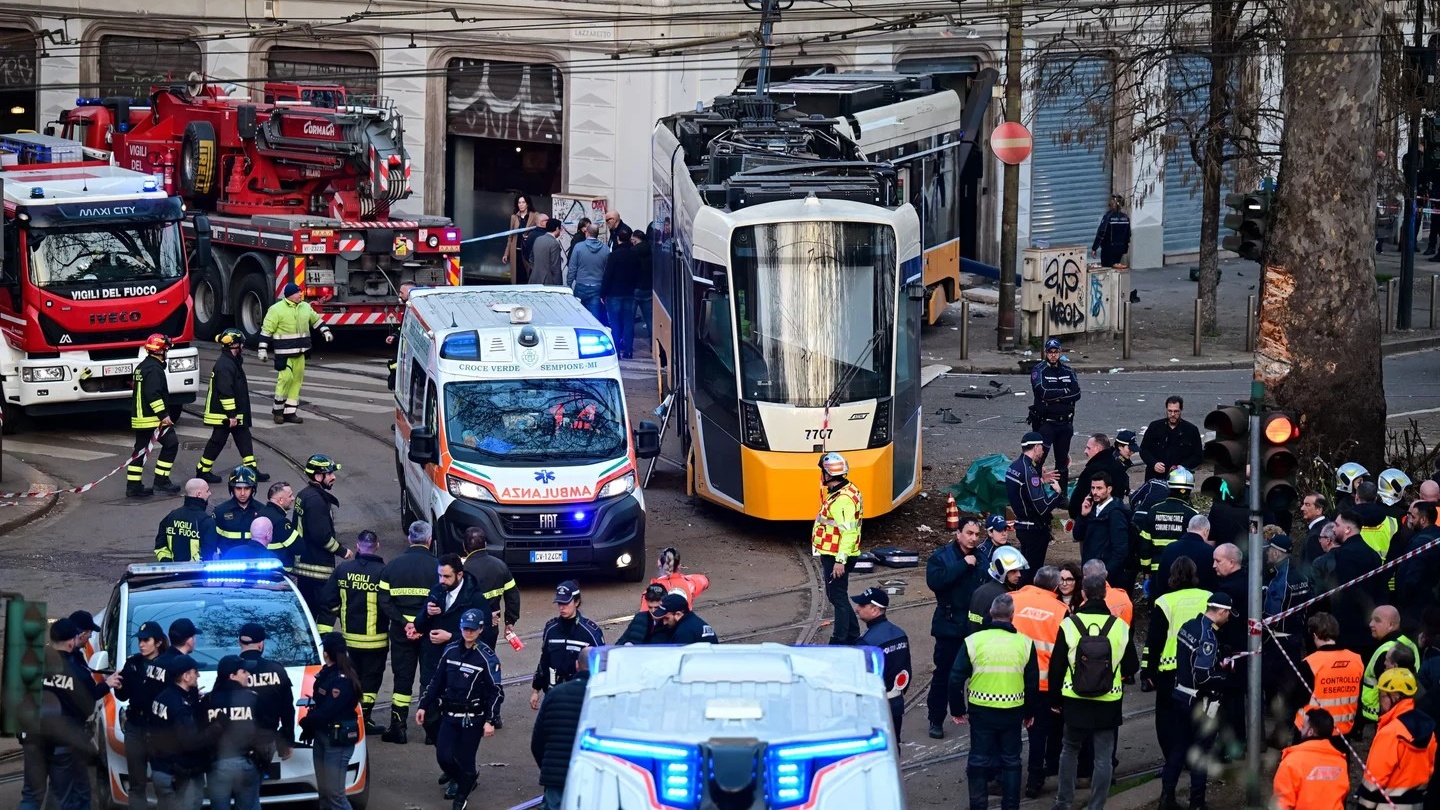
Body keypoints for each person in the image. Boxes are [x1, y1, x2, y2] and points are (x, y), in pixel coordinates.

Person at [1049, 572, 1139, 810]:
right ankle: (1096, 805)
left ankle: (1063, 802)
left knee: (1069, 749)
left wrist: (1055, 700)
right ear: (1105, 594)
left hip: (1074, 698)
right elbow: (1132, 666)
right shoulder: (1119, 627)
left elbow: (1056, 666)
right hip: (1107, 700)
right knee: (1103, 756)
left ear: (1083, 593)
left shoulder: (1069, 624)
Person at [950, 594, 1039, 810]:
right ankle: (1011, 806)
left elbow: (955, 677)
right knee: (1011, 761)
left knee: (979, 760)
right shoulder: (1025, 644)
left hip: (981, 711)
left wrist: (957, 709)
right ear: (1012, 615)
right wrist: (1029, 713)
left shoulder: (974, 641)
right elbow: (1031, 683)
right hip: (1012, 711)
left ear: (990, 613)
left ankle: (978, 806)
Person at [19, 617, 116, 810]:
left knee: (31, 796)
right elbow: (88, 707)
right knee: (60, 795)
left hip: (34, 739)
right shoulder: (78, 673)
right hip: (63, 744)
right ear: (72, 641)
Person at [416, 609, 502, 810]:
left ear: (480, 629)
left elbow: (496, 692)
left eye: (472, 629)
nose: (468, 633)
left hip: (472, 718)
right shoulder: (451, 650)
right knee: (443, 756)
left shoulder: (487, 658)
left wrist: (490, 720)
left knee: (465, 760)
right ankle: (466, 780)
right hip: (450, 715)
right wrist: (423, 705)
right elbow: (436, 681)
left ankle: (460, 799)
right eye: (465, 629)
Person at [1159, 591, 1233, 810]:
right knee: (1201, 752)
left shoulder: (1188, 626)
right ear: (1220, 611)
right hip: (1199, 702)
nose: (1228, 618)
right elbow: (1203, 675)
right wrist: (1225, 675)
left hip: (1180, 695)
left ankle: (1166, 799)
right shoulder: (1208, 636)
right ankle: (1197, 804)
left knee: (1179, 748)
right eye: (1227, 613)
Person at [416, 553, 490, 746]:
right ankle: (444, 748)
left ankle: (453, 762)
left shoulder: (474, 599)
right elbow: (418, 625)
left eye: (447, 576)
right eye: (440, 576)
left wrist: (451, 637)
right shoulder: (436, 592)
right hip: (433, 662)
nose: (442, 580)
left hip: (461, 666)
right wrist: (426, 613)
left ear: (459, 575)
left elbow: (487, 634)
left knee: (456, 723)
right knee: (429, 712)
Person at [321, 530, 389, 733]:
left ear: (358, 546)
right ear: (377, 546)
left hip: (350, 641)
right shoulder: (383, 572)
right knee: (372, 680)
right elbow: (389, 604)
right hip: (376, 641)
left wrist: (342, 614)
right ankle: (364, 717)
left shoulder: (343, 570)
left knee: (352, 677)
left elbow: (328, 600)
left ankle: (351, 713)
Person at [926, 515, 987, 739]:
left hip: (974, 626)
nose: (973, 539)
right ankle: (936, 719)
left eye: (976, 534)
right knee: (944, 674)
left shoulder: (982, 557)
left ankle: (974, 715)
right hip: (949, 625)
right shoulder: (942, 557)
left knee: (977, 674)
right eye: (969, 533)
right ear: (958, 533)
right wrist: (963, 565)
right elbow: (935, 581)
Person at [378, 520, 438, 744]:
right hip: (430, 633)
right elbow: (442, 601)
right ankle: (431, 731)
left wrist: (405, 623)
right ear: (429, 540)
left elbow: (384, 601)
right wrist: (420, 624)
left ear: (409, 538)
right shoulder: (437, 566)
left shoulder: (392, 566)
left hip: (402, 632)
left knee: (402, 680)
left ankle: (398, 727)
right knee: (429, 678)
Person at [1010, 566, 1066, 796]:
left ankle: (1005, 777)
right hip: (1042, 684)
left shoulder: (1012, 599)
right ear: (1055, 587)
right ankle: (1034, 780)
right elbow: (1062, 654)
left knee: (1009, 731)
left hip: (1011, 679)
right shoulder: (1060, 610)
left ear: (1034, 580)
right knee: (1038, 734)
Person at [196, 327, 269, 484]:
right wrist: (232, 415)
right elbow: (225, 392)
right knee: (218, 440)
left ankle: (251, 469)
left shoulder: (231, 362)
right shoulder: (225, 365)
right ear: (235, 346)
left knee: (244, 438)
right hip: (225, 414)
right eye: (241, 344)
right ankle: (203, 470)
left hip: (233, 413)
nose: (243, 346)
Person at [1358, 668, 1437, 810]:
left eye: (1382, 696)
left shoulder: (1390, 733)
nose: (1379, 701)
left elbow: (1373, 782)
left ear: (1394, 697)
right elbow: (1430, 769)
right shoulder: (1428, 729)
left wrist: (1363, 807)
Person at [257, 283, 331, 424]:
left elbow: (316, 320)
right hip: (284, 354)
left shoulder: (305, 307)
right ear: (289, 295)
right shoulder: (276, 309)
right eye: (298, 293)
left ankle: (290, 412)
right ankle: (278, 412)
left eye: (300, 292)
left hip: (301, 353)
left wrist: (325, 331)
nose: (300, 295)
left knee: (296, 382)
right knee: (285, 380)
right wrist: (262, 349)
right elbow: (266, 330)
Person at [301, 634, 360, 810]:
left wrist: (307, 722)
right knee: (325, 794)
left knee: (335, 796)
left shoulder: (342, 679)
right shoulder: (327, 674)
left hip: (337, 742)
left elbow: (327, 711)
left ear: (326, 652)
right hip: (322, 736)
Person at [114, 621, 169, 807]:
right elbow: (123, 694)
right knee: (137, 784)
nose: (142, 644)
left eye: (146, 640)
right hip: (136, 728)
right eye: (140, 640)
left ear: (158, 642)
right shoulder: (133, 663)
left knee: (163, 783)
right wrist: (118, 687)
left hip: (159, 730)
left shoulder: (168, 664)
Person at [812, 451, 863, 646]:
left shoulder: (842, 500)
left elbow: (848, 532)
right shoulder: (847, 490)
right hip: (835, 553)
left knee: (837, 597)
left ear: (828, 474)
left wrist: (840, 561)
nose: (821, 476)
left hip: (836, 556)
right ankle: (852, 633)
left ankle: (840, 640)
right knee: (837, 595)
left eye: (822, 472)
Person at [295, 453, 354, 619]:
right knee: (325, 614)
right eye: (330, 474)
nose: (334, 477)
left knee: (307, 613)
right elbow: (321, 536)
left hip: (305, 566)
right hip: (316, 569)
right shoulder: (315, 500)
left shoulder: (304, 494)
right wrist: (342, 551)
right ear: (319, 476)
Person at [531, 581, 605, 710]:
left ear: (576, 602)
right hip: (554, 691)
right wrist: (536, 690)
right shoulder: (551, 629)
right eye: (560, 603)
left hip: (580, 694)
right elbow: (544, 660)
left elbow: (602, 664)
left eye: (566, 603)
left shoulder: (590, 632)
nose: (562, 608)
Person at [531, 643, 589, 810]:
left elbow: (538, 740)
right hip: (588, 776)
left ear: (577, 665)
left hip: (555, 776)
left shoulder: (556, 693)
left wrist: (548, 768)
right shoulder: (604, 695)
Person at [201, 655, 262, 810]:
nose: (248, 674)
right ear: (232, 676)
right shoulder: (252, 698)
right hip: (247, 763)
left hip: (218, 765)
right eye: (243, 671)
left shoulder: (208, 700)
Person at [148, 653, 207, 810]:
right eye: (195, 672)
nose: (198, 675)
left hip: (160, 770)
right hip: (179, 774)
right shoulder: (180, 707)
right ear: (186, 676)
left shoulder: (161, 698)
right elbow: (190, 742)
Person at [1291, 613, 1363, 738]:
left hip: (1311, 731)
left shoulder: (1310, 663)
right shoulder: (1356, 660)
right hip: (1343, 731)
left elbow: (1298, 699)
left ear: (1314, 635)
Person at [461, 526, 522, 674]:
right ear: (485, 544)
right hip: (491, 627)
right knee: (487, 658)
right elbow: (513, 596)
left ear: (464, 546)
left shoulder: (462, 570)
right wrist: (510, 621)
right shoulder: (500, 566)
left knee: (466, 664)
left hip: (467, 626)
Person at [851, 587, 911, 736]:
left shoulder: (866, 641)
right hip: (896, 703)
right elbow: (906, 669)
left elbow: (859, 678)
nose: (857, 609)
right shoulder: (900, 634)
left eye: (862, 606)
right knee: (894, 746)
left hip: (874, 707)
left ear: (875, 610)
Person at [128, 332, 181, 497]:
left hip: (140, 418)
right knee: (171, 444)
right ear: (160, 351)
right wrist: (163, 415)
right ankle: (162, 481)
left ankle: (133, 486)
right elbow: (153, 395)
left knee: (140, 451)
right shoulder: (154, 369)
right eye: (166, 349)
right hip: (152, 419)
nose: (167, 353)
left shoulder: (143, 366)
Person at [236, 623, 295, 771]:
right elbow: (287, 709)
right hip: (266, 740)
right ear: (261, 644)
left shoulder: (231, 671)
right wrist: (287, 740)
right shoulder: (276, 669)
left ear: (239, 642)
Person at [1006, 432, 1064, 579]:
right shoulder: (1029, 473)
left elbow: (1023, 493)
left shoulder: (1015, 466)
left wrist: (1040, 482)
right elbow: (1042, 508)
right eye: (1042, 448)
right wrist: (1057, 494)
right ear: (1036, 447)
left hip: (1022, 526)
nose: (1043, 451)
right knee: (1031, 575)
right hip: (1034, 530)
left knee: (1023, 571)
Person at [1029, 338, 1081, 495]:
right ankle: (1036, 492)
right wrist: (1065, 393)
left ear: (1060, 353)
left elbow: (1077, 393)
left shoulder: (1068, 371)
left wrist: (1057, 397)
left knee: (1062, 462)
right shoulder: (1039, 370)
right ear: (1046, 353)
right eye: (1050, 352)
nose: (1053, 355)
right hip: (1046, 424)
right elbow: (1043, 392)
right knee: (1038, 460)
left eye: (1056, 352)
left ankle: (1061, 494)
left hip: (1065, 424)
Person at [1135, 467, 1200, 588]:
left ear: (1168, 487)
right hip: (1183, 572)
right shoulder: (1193, 515)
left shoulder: (1153, 511)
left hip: (1157, 569)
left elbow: (1145, 545)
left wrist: (1146, 572)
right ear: (1189, 491)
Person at [1273, 709, 1348, 810]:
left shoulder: (1291, 762)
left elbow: (1282, 804)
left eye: (1303, 727)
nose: (1300, 730)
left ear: (1311, 732)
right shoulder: (1341, 763)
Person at [1362, 605, 1423, 729]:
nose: (1371, 624)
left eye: (1377, 620)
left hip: (1386, 715)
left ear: (1391, 625)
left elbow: (1388, 690)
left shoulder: (1387, 651)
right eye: (1371, 619)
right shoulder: (1408, 642)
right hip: (1407, 710)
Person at [1073, 472, 1130, 586]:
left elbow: (1120, 550)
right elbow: (1077, 535)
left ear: (1109, 489)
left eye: (1099, 488)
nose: (1095, 492)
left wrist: (1106, 573)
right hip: (1090, 573)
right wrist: (1083, 516)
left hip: (1104, 578)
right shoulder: (1092, 510)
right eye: (1093, 488)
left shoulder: (1115, 514)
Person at [1152, 515, 1216, 602]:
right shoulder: (1211, 552)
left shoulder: (1169, 548)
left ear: (1188, 529)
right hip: (1201, 603)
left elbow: (1160, 580)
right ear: (1206, 531)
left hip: (1171, 601)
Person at [1138, 397, 1203, 482]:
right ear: (1166, 410)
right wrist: (1154, 463)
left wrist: (1182, 467)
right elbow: (1143, 450)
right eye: (1170, 411)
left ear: (1181, 410)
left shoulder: (1191, 430)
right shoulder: (1155, 427)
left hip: (1180, 479)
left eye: (1176, 411)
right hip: (1154, 477)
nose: (1172, 414)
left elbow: (1198, 456)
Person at [155, 478, 219, 562]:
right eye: (207, 491)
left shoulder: (171, 516)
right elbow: (209, 552)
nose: (210, 493)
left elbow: (160, 545)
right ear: (199, 494)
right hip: (196, 572)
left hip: (172, 571)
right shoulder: (206, 521)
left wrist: (167, 563)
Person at [969, 546, 1029, 634]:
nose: (1019, 574)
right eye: (1013, 571)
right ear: (1001, 571)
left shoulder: (980, 590)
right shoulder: (1003, 597)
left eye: (1019, 570)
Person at [601, 225, 640, 358]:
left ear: (618, 239)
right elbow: (637, 274)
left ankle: (616, 350)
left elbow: (608, 275)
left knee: (615, 323)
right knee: (628, 322)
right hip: (629, 292)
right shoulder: (634, 255)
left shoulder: (613, 256)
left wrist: (603, 293)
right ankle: (628, 351)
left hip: (613, 293)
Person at [1070, 434, 1127, 517]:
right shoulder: (1119, 466)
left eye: (1088, 448)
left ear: (1098, 448)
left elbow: (1079, 497)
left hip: (1093, 518)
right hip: (1114, 514)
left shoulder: (1091, 470)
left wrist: (1077, 515)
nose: (1085, 451)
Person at [213, 465, 262, 554]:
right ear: (232, 488)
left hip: (254, 561)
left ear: (253, 488)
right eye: (238, 488)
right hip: (228, 562)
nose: (242, 493)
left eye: (247, 488)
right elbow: (213, 540)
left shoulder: (261, 511)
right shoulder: (220, 511)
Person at [646, 546, 710, 610]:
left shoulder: (651, 591)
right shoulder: (690, 583)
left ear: (659, 564)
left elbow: (643, 615)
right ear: (679, 566)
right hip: (686, 619)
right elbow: (704, 580)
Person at [566, 224, 609, 318]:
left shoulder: (578, 247)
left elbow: (572, 268)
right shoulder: (605, 249)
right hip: (597, 286)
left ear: (587, 233)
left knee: (580, 315)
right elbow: (607, 270)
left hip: (581, 285)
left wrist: (569, 283)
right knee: (595, 316)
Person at [257, 482, 301, 574]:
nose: (293, 499)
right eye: (290, 496)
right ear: (280, 500)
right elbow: (298, 547)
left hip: (263, 567)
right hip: (281, 570)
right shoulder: (281, 522)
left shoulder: (260, 513)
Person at [651, 593, 719, 643]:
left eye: (667, 618)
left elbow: (677, 659)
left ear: (678, 614)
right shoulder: (695, 621)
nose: (664, 622)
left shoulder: (683, 633)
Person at [503, 194, 541, 283]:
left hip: (528, 250)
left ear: (527, 204)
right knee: (517, 275)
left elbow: (539, 231)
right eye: (519, 202)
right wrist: (506, 253)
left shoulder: (535, 215)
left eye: (523, 202)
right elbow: (510, 236)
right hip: (516, 251)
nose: (521, 204)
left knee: (528, 273)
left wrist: (530, 236)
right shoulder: (514, 217)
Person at [1090, 194, 1131, 267]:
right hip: (1120, 250)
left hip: (1108, 249)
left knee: (1107, 270)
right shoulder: (1126, 218)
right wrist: (1124, 248)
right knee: (1116, 269)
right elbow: (1128, 235)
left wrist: (1094, 248)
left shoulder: (1108, 216)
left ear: (1111, 204)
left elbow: (1101, 233)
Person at [630, 228, 653, 342]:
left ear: (634, 239)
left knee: (629, 318)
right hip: (648, 287)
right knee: (649, 319)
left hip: (635, 287)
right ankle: (652, 344)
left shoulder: (633, 252)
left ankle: (628, 345)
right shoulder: (652, 250)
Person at [529, 217, 565, 286]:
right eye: (560, 229)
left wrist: (537, 269)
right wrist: (559, 286)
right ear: (557, 229)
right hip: (548, 281)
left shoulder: (538, 239)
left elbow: (531, 258)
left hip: (534, 279)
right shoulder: (554, 243)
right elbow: (555, 267)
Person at [1300, 492, 1333, 563]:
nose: (1302, 508)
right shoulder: (1326, 525)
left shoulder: (1317, 535)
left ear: (1319, 510)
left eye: (1307, 505)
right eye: (1303, 504)